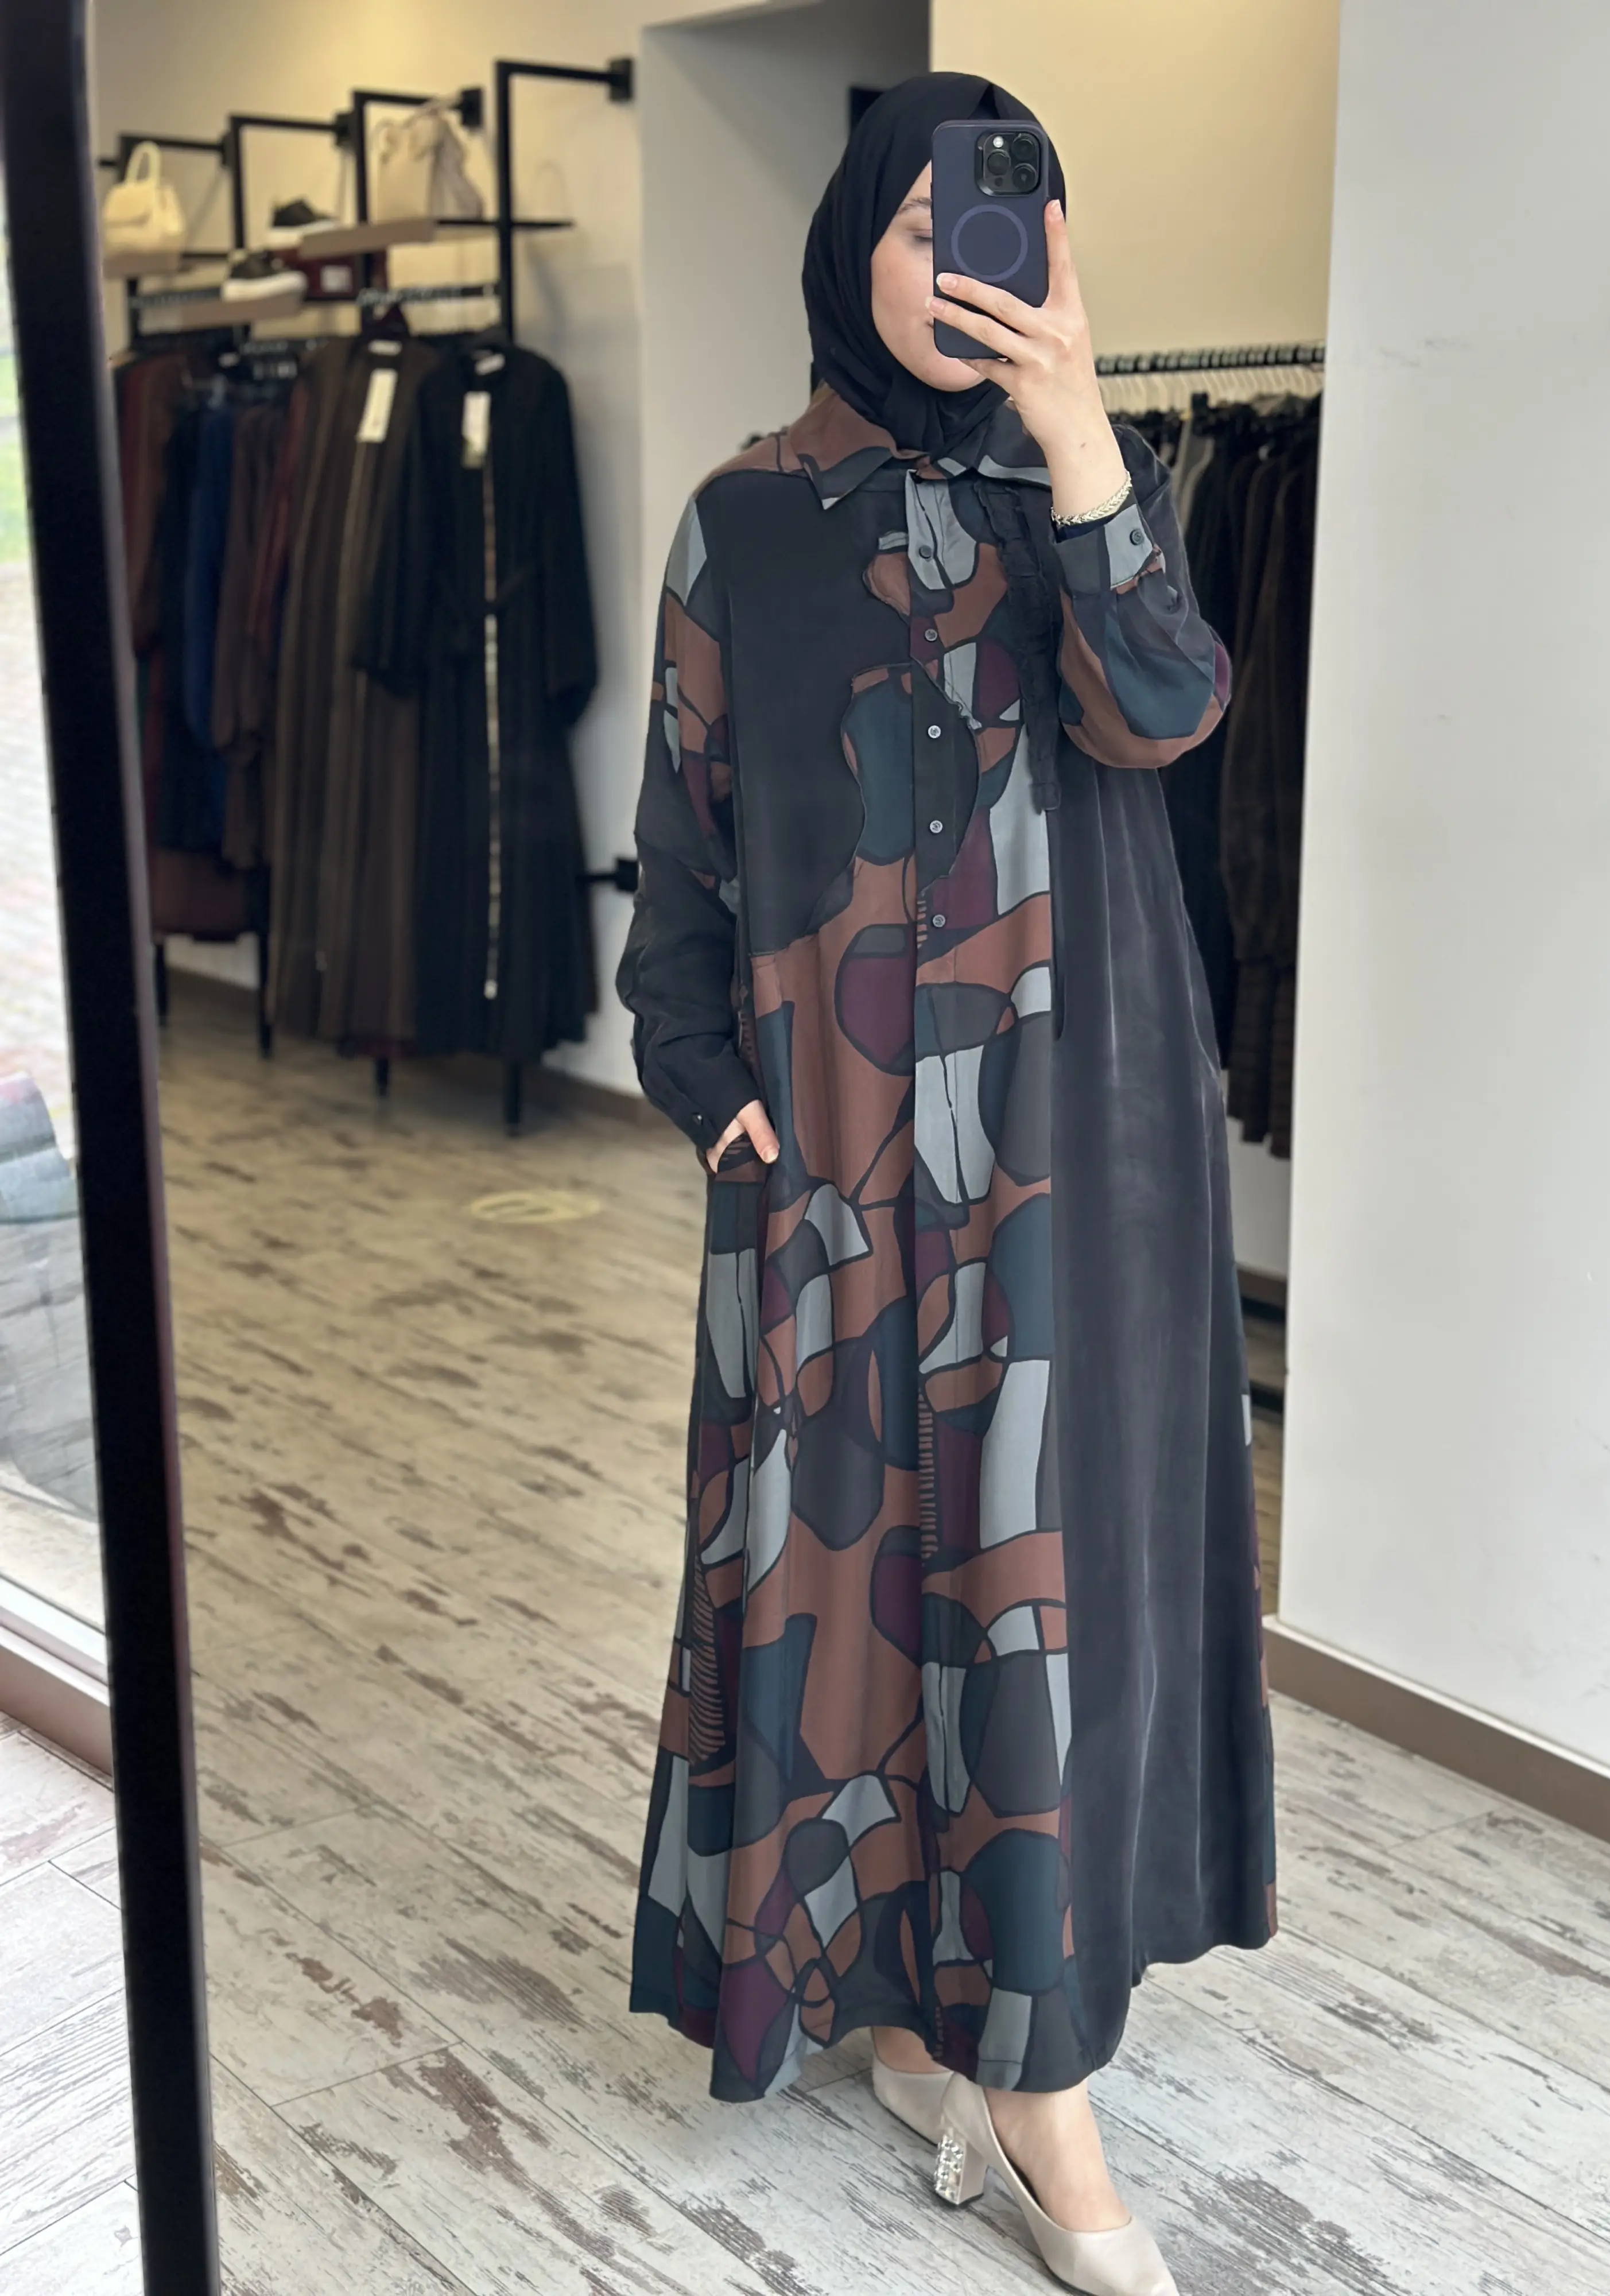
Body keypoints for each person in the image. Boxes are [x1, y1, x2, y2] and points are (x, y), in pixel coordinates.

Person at [618, 72, 1275, 2296]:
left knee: (1032, 1581)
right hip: (830, 1144)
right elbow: (689, 830)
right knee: (863, 1565)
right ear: (852, 246)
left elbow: (1167, 710)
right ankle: (916, 2013)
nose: (964, 266)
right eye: (922, 224)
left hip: (1077, 1152)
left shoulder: (1092, 489)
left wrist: (1082, 437)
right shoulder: (749, 515)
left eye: (1009, 224)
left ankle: (1034, 2069)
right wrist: (704, 1080)